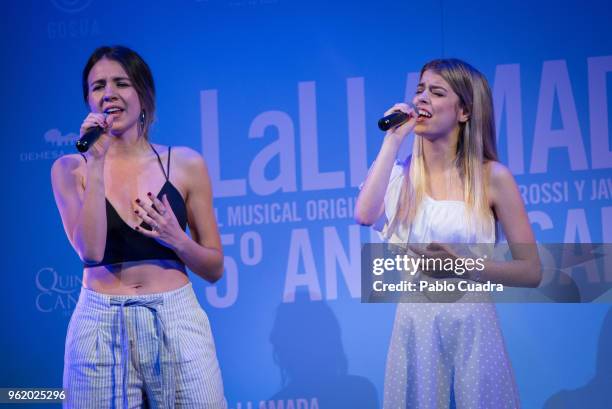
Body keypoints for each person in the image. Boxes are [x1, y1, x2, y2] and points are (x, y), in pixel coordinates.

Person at [355, 58, 541, 408]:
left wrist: (466, 266)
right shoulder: (398, 175)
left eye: (437, 92)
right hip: (416, 327)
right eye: (419, 90)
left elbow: (531, 270)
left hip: (473, 325)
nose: (422, 99)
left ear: (464, 112)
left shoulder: (492, 177)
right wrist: (392, 142)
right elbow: (364, 215)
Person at [51, 45, 227, 408]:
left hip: (176, 319)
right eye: (98, 86)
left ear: (144, 96)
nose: (109, 94)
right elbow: (91, 251)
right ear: (88, 99)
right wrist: (96, 163)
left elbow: (214, 268)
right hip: (100, 324)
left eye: (121, 83)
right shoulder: (71, 169)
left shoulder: (185, 163)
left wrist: (177, 240)